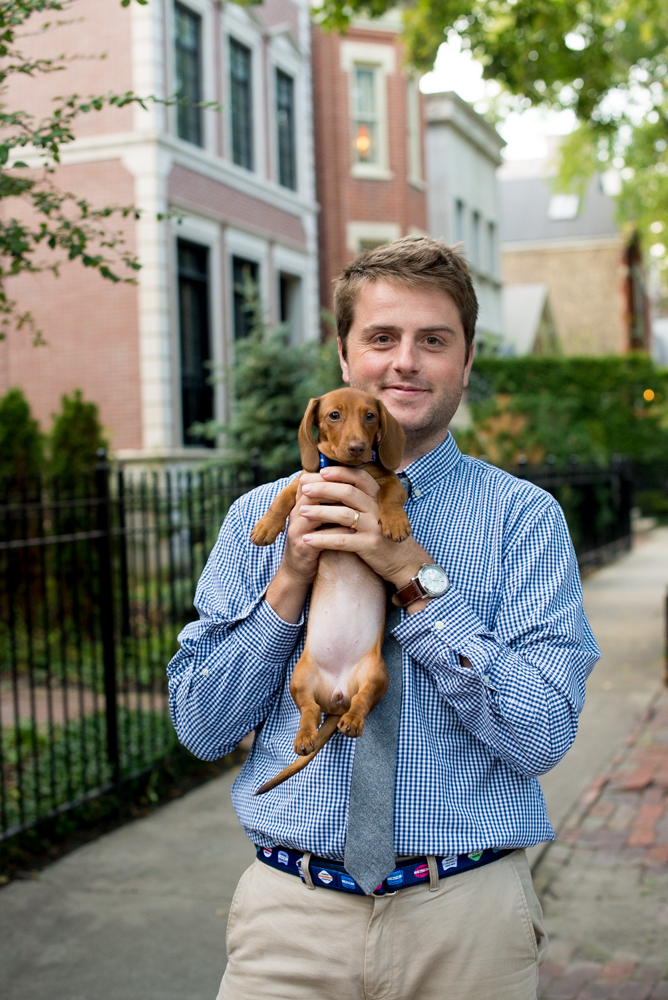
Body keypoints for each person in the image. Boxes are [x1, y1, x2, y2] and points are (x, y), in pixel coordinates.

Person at [167, 236, 599, 1000]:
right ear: (344, 355)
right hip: (288, 921)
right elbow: (200, 727)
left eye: (434, 340)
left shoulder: (523, 520)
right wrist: (291, 577)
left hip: (467, 920)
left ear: (465, 362)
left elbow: (540, 736)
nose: (405, 361)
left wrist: (413, 577)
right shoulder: (255, 521)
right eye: (381, 337)